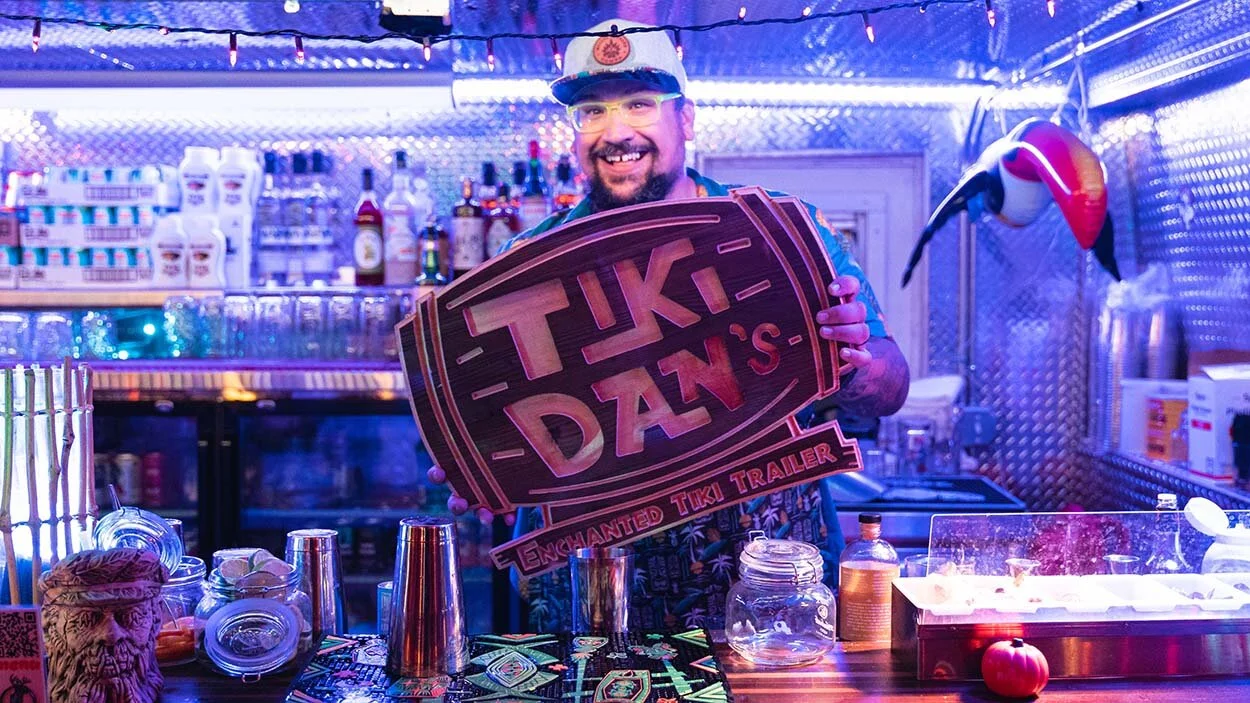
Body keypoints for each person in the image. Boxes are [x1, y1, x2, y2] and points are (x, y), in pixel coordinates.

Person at [430, 18, 910, 631]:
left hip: (767, 605)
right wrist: (478, 464)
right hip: (587, 608)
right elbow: (494, 425)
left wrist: (853, 360)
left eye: (640, 103)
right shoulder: (522, 269)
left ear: (685, 119)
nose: (615, 131)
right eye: (592, 111)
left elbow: (891, 385)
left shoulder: (778, 233)